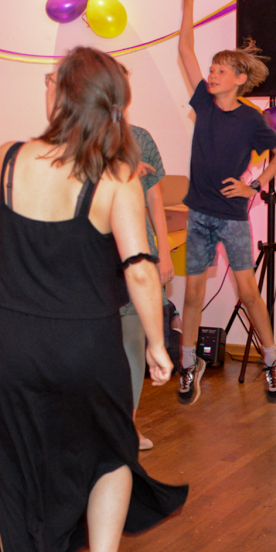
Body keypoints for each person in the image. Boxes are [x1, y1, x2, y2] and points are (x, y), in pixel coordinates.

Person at [0, 47, 188, 552]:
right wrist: (157, 345)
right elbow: (140, 269)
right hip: (84, 345)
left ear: (65, 96)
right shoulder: (117, 177)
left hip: (10, 344)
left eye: (52, 81)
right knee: (112, 450)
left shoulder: (7, 158)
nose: (46, 87)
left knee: (17, 470)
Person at [176, 0, 276, 406]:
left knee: (247, 292)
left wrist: (254, 185)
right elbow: (184, 51)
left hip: (231, 219)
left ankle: (272, 360)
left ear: (239, 79)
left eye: (219, 71)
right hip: (199, 215)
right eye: (211, 70)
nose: (210, 75)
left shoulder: (250, 119)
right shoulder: (203, 103)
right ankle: (188, 365)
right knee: (193, 293)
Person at [123, 125, 174, 450]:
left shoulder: (139, 138)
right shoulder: (75, 136)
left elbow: (154, 197)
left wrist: (163, 253)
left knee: (132, 339)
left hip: (135, 247)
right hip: (91, 255)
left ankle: (127, 425)